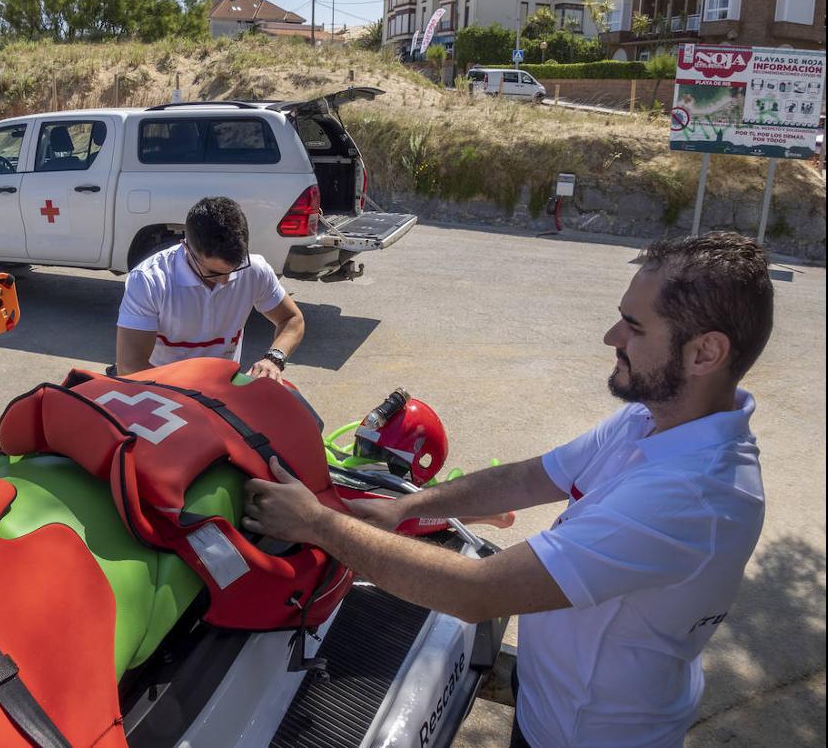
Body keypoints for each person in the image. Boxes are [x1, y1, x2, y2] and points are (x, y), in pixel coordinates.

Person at [243, 231, 774, 748]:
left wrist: (318, 524)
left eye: (634, 327)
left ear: (705, 353)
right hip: (554, 701)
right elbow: (528, 478)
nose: (612, 337)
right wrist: (404, 507)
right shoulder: (653, 419)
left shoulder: (693, 498)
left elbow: (475, 593)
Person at [116, 196, 305, 381]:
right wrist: (197, 395)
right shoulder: (149, 280)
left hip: (222, 387)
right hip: (163, 390)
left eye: (235, 269)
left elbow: (291, 319)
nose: (224, 281)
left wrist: (274, 359)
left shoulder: (255, 270)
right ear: (187, 248)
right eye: (212, 272)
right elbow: (130, 367)